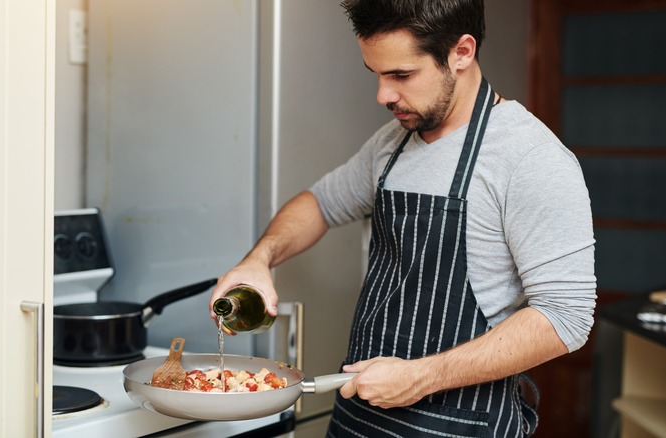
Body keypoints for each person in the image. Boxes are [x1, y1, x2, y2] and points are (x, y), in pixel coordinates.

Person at [210, 0, 596, 435]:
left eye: (401, 75)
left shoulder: (531, 158)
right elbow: (319, 203)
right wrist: (259, 259)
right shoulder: (391, 145)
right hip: (361, 416)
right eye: (376, 73)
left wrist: (420, 377)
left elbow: (565, 318)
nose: (383, 95)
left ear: (462, 53)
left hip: (459, 424)